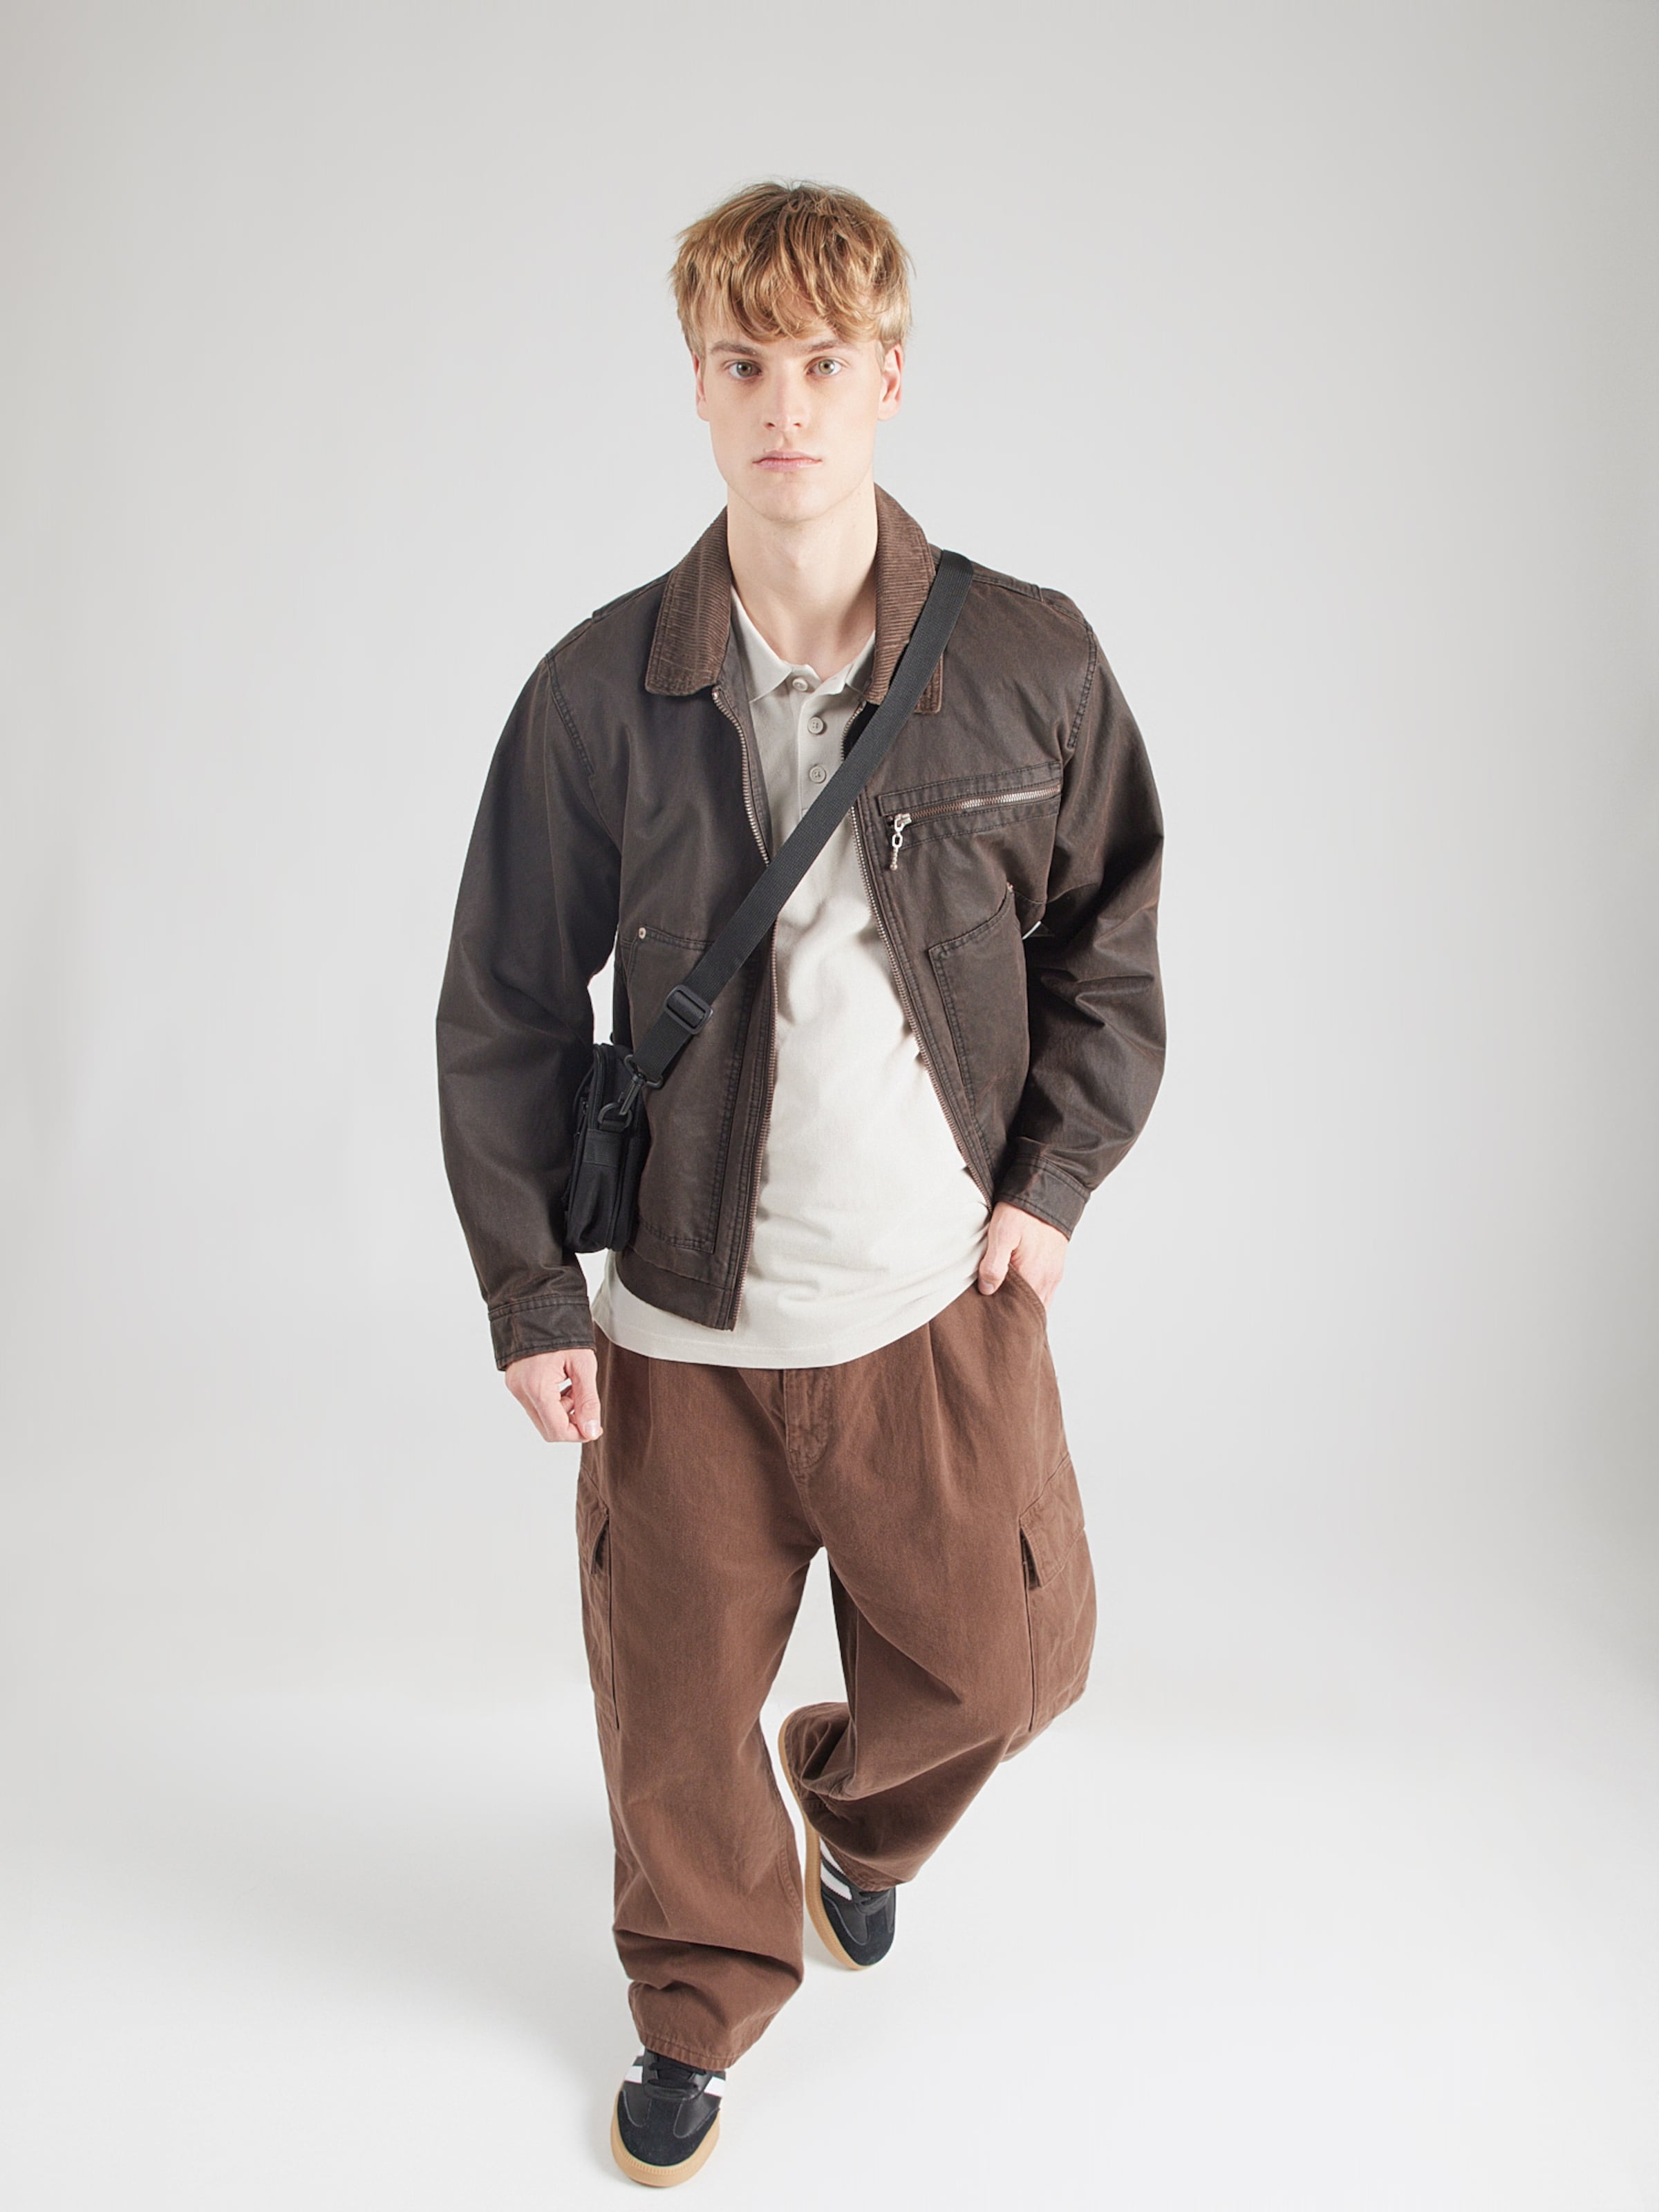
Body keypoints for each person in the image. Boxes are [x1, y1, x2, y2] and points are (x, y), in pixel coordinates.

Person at [435, 178, 1165, 2188]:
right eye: (744, 362)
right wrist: (533, 1293)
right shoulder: (598, 692)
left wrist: (1053, 1184)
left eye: (825, 362)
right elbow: (504, 1003)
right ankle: (694, 2000)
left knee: (1011, 1661)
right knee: (674, 1718)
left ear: (890, 379)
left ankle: (852, 1826)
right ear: (696, 386)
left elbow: (1110, 938)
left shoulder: (1025, 657)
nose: (786, 404)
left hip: (935, 1300)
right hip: (678, 1332)